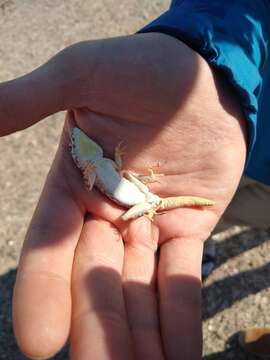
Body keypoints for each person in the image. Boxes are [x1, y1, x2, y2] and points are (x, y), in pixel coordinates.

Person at [0, 1, 269, 359]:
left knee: (199, 221)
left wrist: (109, 174)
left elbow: (100, 169)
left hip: (155, 196)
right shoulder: (93, 164)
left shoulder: (92, 167)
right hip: (180, 181)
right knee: (203, 219)